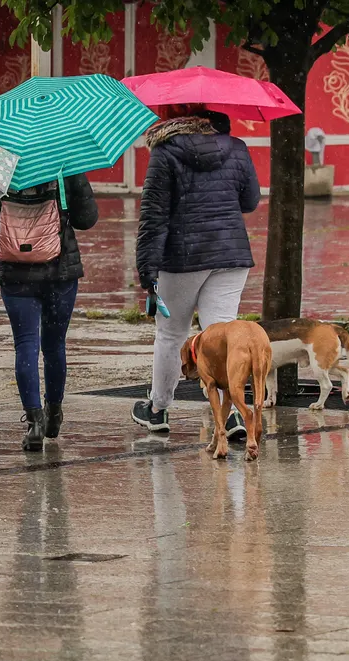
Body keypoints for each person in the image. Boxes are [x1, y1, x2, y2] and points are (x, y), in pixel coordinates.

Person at [130, 105, 261, 436]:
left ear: (175, 115)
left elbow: (154, 215)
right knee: (221, 337)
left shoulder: (166, 151)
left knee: (172, 333)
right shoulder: (237, 147)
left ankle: (158, 409)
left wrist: (147, 270)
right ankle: (230, 416)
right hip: (230, 254)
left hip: (182, 257)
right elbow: (250, 201)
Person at [0, 176, 98, 452]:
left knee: (25, 344)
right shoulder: (65, 164)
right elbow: (87, 218)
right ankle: (54, 412)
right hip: (60, 270)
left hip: (16, 274)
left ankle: (34, 424)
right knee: (54, 344)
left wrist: (8, 255)